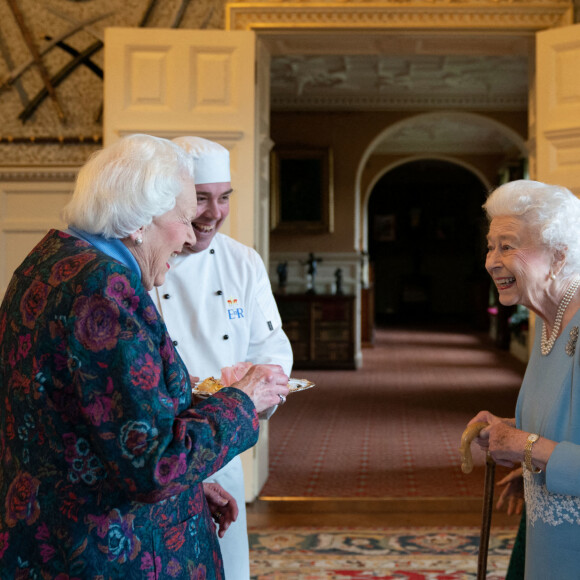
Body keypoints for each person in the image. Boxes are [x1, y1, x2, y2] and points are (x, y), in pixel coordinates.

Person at [0, 134, 289, 579]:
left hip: (48, 532)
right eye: (184, 219)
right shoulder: (105, 293)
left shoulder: (50, 259)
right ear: (140, 222)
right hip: (105, 552)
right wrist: (243, 399)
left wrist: (188, 493)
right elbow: (155, 466)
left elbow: (94, 429)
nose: (193, 235)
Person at [151, 136, 293, 580]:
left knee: (226, 564)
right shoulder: (144, 260)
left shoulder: (242, 262)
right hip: (158, 445)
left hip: (220, 444)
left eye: (225, 197)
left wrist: (263, 385)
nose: (214, 212)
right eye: (200, 199)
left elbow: (270, 345)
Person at [465, 179, 580, 579]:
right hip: (549, 544)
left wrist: (527, 446)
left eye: (508, 246)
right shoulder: (549, 325)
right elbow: (566, 425)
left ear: (559, 256)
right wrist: (509, 436)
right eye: (490, 246)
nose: (491, 261)